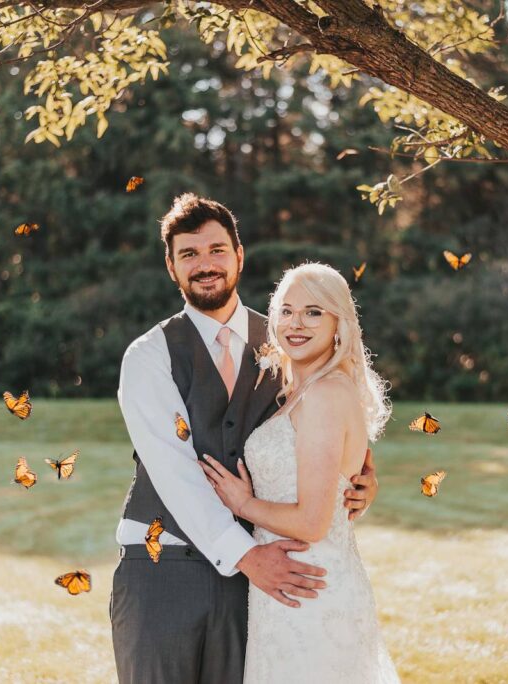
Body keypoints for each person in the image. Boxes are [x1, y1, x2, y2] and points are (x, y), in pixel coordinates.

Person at [110, 194, 380, 683]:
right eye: (188, 254)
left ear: (240, 254)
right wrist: (248, 556)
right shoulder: (148, 356)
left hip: (257, 583)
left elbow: (328, 414)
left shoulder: (285, 340)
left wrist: (363, 474)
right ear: (171, 267)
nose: (205, 264)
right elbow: (174, 472)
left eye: (216, 249)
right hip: (163, 569)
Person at [203, 262, 400, 683]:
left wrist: (244, 503)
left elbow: (313, 521)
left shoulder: (326, 395)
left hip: (309, 589)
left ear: (339, 325)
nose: (296, 323)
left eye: (314, 312)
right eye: (287, 310)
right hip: (291, 586)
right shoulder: (299, 394)